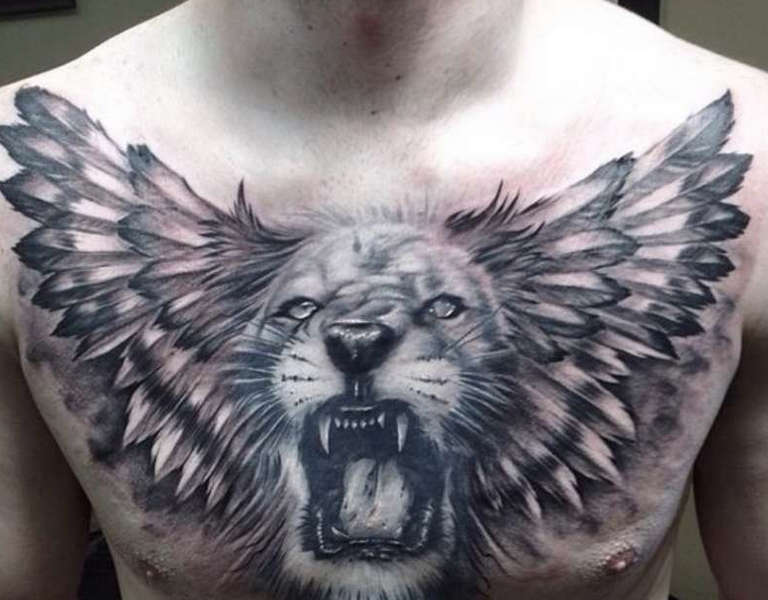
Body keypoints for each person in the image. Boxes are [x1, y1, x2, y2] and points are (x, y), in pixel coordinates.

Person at [0, 1, 766, 599]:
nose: (358, 335)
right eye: (299, 313)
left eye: (445, 310)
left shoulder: (755, 155)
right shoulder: (14, 180)